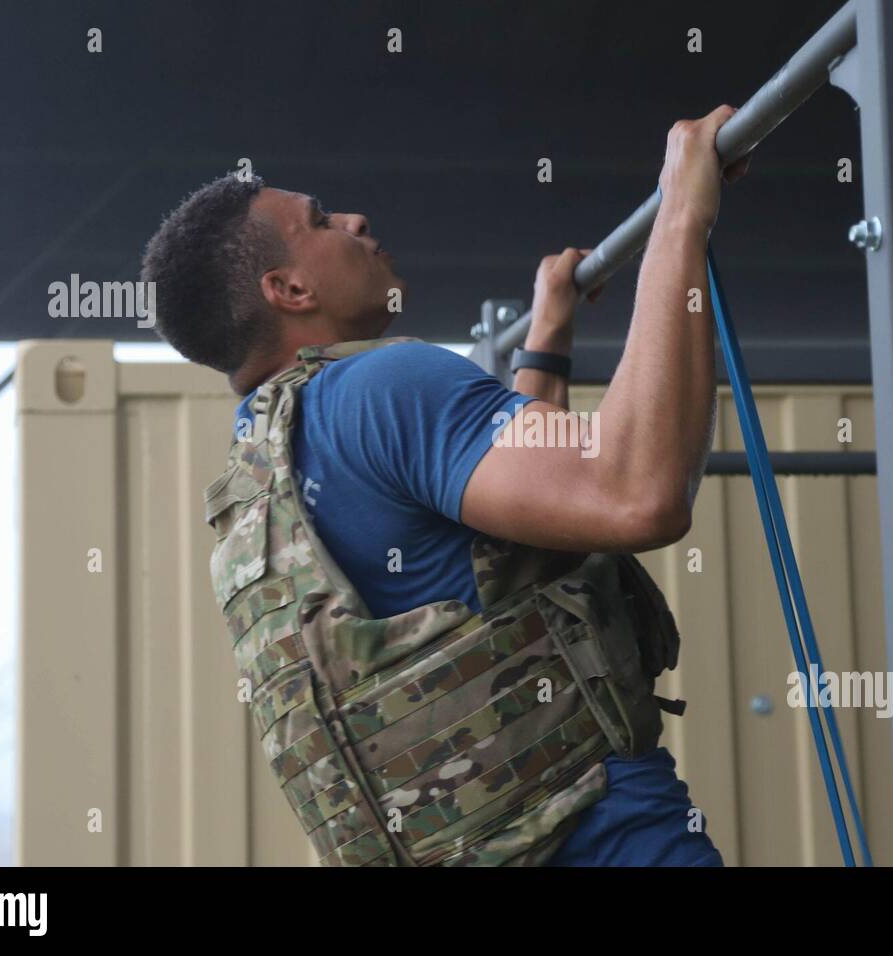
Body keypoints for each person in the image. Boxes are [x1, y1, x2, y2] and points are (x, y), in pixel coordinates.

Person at [141, 105, 750, 865]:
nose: (357, 220)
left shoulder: (262, 473)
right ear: (290, 288)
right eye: (322, 220)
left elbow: (507, 543)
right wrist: (682, 213)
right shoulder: (387, 384)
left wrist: (547, 342)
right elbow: (636, 491)